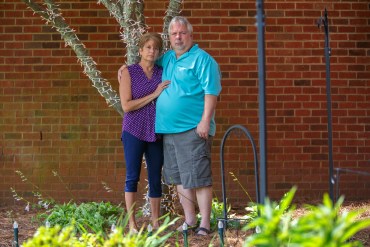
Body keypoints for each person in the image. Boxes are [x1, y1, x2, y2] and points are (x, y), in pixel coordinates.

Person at [155, 16, 222, 236]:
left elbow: (211, 91)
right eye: (174, 34)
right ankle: (190, 220)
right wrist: (125, 70)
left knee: (199, 177)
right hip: (168, 130)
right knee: (179, 178)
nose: (178, 37)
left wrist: (205, 120)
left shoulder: (203, 60)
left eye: (182, 33)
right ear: (169, 37)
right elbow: (145, 63)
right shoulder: (167, 59)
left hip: (193, 129)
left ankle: (204, 224)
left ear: (191, 35)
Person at [119, 32, 170, 232]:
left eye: (156, 48)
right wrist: (155, 94)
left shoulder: (162, 72)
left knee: (156, 176)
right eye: (148, 47)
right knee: (132, 176)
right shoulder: (129, 72)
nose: (152, 51)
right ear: (140, 50)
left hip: (156, 130)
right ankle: (132, 224)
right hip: (133, 130)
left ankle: (156, 223)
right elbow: (127, 106)